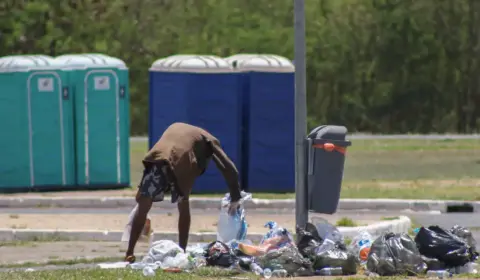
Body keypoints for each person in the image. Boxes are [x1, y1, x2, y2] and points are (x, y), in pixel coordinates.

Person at [124, 122, 242, 263]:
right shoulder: (210, 140)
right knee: (183, 205)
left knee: (143, 205)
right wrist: (235, 196)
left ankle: (129, 253)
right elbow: (228, 167)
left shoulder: (178, 127)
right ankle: (182, 251)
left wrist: (143, 195)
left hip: (157, 158)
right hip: (180, 162)